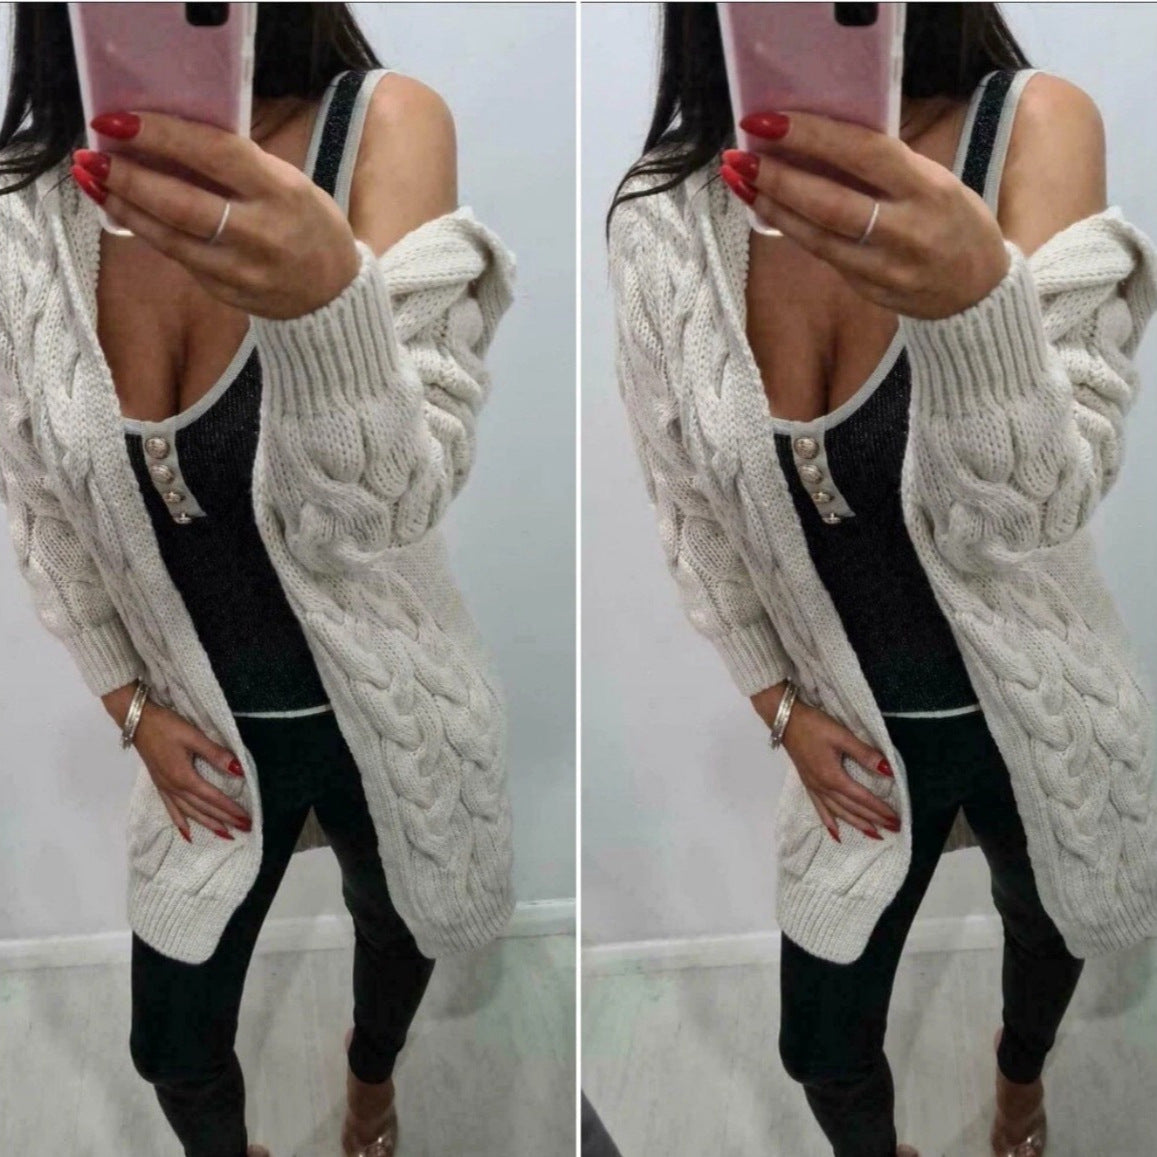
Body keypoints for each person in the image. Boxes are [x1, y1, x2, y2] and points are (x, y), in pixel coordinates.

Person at [607, 5, 1157, 1157]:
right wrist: (776, 704)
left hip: (1042, 710)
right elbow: (688, 506)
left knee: (1046, 929)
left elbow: (1037, 511)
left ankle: (1016, 1078)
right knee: (819, 1042)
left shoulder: (1030, 131)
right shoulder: (663, 216)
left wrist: (971, 304)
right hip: (850, 735)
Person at [0, 6, 516, 1157]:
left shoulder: (381, 129)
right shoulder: (24, 209)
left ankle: (369, 1081)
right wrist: (127, 702)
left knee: (397, 929)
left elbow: (391, 509)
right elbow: (42, 506)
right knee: (171, 1043)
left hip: (396, 702)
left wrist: (324, 300)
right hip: (199, 724)